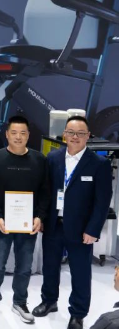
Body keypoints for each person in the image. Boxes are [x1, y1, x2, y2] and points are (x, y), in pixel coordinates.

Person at [33, 116, 112, 329]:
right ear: (64, 135)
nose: (75, 137)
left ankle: (78, 313)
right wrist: (41, 217)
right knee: (50, 266)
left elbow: (102, 201)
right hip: (53, 224)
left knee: (80, 272)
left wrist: (93, 229)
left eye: (80, 133)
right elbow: (45, 192)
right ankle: (49, 301)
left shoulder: (99, 164)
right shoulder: (53, 158)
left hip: (81, 229)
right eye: (71, 132)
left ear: (88, 136)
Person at [0, 115, 50, 323]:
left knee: (25, 265)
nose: (18, 137)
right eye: (14, 133)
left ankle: (20, 302)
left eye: (23, 133)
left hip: (27, 224)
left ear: (29, 135)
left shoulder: (39, 160)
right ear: (7, 134)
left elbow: (45, 191)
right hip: (2, 223)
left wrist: (40, 216)